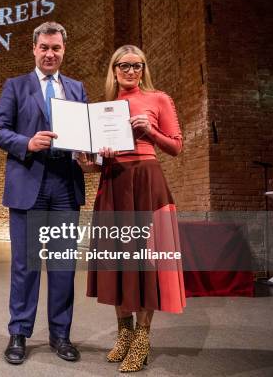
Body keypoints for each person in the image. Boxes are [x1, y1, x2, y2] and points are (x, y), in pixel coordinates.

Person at [79, 44, 186, 372]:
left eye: (137, 66)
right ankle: (123, 333)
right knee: (116, 258)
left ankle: (142, 337)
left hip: (145, 182)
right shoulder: (103, 108)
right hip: (114, 182)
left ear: (143, 69)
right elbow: (97, 162)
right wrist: (89, 162)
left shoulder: (158, 99)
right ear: (113, 70)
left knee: (145, 260)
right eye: (123, 65)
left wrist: (149, 131)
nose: (130, 71)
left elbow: (177, 146)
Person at [0, 21, 88, 365]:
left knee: (63, 265)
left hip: (65, 185)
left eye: (56, 48)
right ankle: (19, 332)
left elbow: (84, 135)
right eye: (44, 47)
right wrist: (27, 143)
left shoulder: (76, 88)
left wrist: (91, 154)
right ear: (34, 49)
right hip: (28, 183)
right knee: (25, 265)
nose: (50, 53)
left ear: (64, 50)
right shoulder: (15, 86)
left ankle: (61, 335)